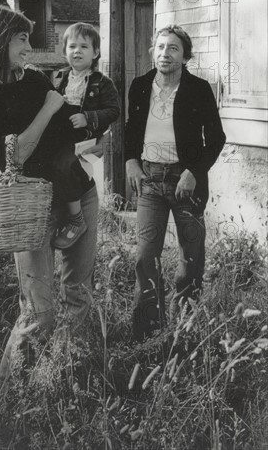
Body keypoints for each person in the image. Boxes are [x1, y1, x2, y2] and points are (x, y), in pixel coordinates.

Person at [0, 5, 99, 397]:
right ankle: (5, 402)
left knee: (79, 297)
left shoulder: (36, 79)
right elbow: (16, 156)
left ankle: (63, 385)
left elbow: (69, 136)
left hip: (78, 192)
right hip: (29, 208)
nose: (30, 46)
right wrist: (48, 108)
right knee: (39, 313)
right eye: (22, 38)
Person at [125, 24, 226, 341]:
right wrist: (130, 161)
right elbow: (131, 129)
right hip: (151, 182)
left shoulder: (198, 88)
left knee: (191, 259)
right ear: (153, 51)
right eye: (159, 47)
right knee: (145, 256)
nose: (164, 53)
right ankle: (148, 333)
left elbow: (217, 138)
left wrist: (194, 171)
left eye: (172, 48)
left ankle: (185, 329)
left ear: (185, 56)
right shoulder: (140, 86)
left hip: (186, 182)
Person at [53, 22, 120, 249]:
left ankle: (76, 218)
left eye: (84, 46)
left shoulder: (102, 82)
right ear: (64, 52)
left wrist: (89, 117)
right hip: (61, 135)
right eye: (72, 46)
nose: (77, 51)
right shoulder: (58, 78)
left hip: (84, 137)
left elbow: (114, 110)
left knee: (67, 165)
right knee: (55, 166)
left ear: (96, 53)